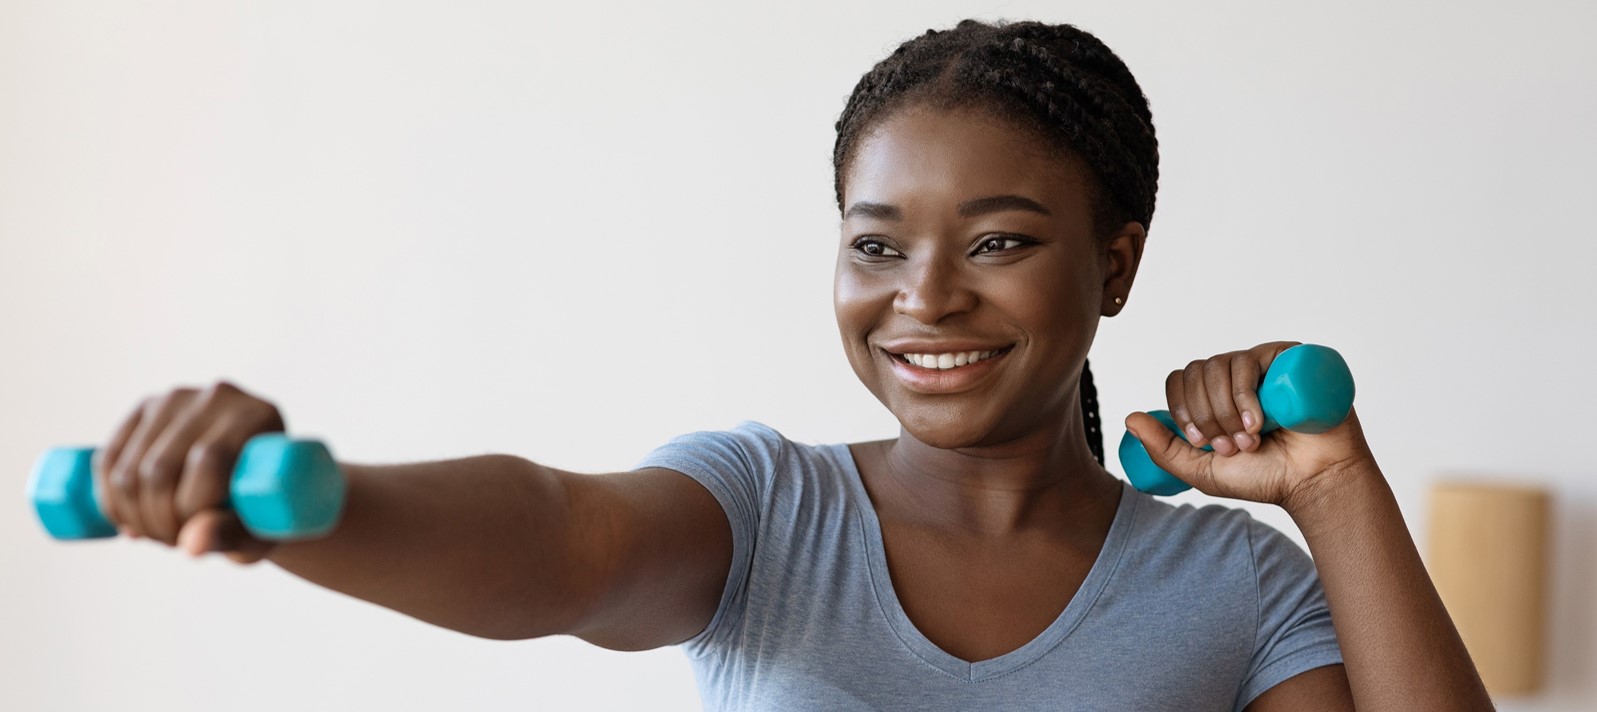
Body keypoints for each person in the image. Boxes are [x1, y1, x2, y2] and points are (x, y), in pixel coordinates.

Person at [90, 19, 1490, 712]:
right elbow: (561, 536)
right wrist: (302, 506)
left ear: (1113, 265)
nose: (922, 296)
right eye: (875, 245)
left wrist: (1331, 483)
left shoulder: (1232, 587)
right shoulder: (763, 510)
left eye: (998, 241)